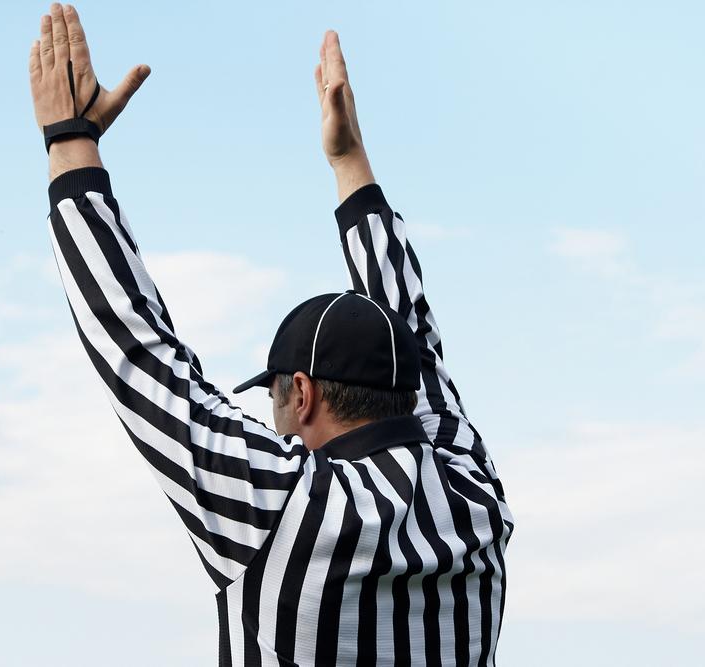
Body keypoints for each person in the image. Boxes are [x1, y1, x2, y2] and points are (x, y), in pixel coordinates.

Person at [29, 4, 513, 665]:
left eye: (276, 399)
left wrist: (69, 142)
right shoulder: (472, 498)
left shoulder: (283, 505)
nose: (276, 418)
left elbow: (139, 352)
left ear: (304, 394)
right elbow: (414, 334)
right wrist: (352, 165)